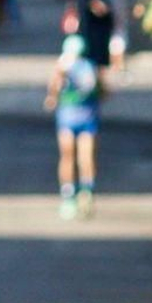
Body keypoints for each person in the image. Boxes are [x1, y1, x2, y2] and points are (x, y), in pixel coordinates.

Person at [46, 31, 102, 218]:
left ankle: (70, 194)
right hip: (87, 117)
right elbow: (104, 92)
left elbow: (52, 94)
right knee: (85, 156)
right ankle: (85, 191)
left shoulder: (64, 67)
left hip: (68, 118)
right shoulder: (91, 67)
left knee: (68, 156)